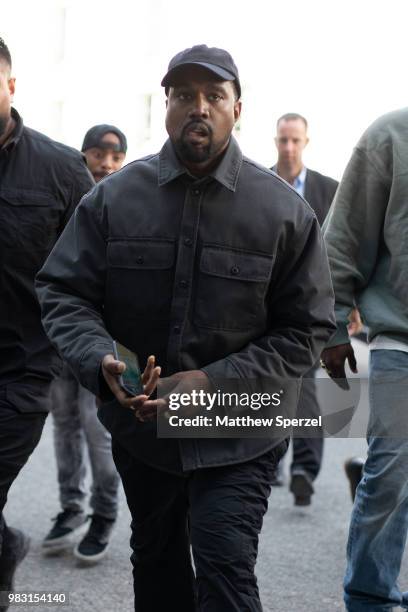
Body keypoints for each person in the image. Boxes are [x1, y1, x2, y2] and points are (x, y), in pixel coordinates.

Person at [36, 44, 335, 611]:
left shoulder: (285, 213)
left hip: (239, 430)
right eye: (184, 95)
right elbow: (62, 289)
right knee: (157, 563)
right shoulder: (113, 200)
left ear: (236, 108)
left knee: (224, 568)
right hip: (145, 433)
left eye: (213, 96)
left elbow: (307, 327)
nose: (199, 106)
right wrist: (100, 356)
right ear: (166, 105)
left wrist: (212, 382)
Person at [0, 37, 93, 608]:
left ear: (10, 87)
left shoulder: (60, 169)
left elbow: (96, 272)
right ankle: (6, 546)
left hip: (24, 369)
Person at [321, 107, 408, 611]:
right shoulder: (390, 136)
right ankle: (371, 598)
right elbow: (344, 236)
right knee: (393, 474)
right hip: (402, 339)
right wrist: (332, 325)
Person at [42, 125, 127, 563]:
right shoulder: (66, 200)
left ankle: (104, 513)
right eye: (98, 154)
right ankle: (71, 507)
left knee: (98, 428)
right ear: (84, 157)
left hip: (107, 341)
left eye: (115, 156)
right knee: (64, 422)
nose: (107, 163)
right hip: (60, 338)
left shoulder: (130, 206)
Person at [271, 112, 338, 504]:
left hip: (312, 303)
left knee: (305, 381)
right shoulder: (255, 184)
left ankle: (302, 469)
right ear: (275, 140)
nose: (288, 148)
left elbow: (344, 249)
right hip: (263, 305)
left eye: (295, 140)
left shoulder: (329, 191)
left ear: (306, 143)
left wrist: (350, 301)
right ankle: (273, 458)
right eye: (283, 140)